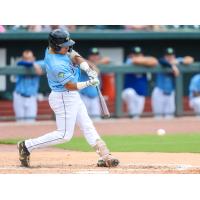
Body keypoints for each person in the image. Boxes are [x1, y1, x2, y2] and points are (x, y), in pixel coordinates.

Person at [17, 29, 119, 168]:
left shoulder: (58, 49)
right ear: (56, 46)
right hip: (63, 97)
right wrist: (89, 82)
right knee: (64, 135)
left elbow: (76, 56)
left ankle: (104, 154)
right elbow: (70, 86)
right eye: (65, 45)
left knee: (87, 125)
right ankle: (27, 145)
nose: (68, 47)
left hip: (72, 96)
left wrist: (88, 69)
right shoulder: (56, 64)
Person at [151, 47, 194, 118]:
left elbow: (190, 59)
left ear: (174, 56)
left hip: (170, 93)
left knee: (170, 117)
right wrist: (172, 66)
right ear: (165, 56)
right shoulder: (162, 61)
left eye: (171, 55)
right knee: (158, 117)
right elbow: (161, 61)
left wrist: (179, 62)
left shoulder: (177, 61)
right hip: (159, 92)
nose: (170, 57)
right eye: (168, 55)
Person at [122, 46, 158, 118]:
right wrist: (143, 61)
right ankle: (131, 113)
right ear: (131, 55)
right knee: (130, 93)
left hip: (140, 93)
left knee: (137, 116)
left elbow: (154, 61)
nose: (137, 56)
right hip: (128, 91)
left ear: (142, 55)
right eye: (135, 54)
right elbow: (134, 61)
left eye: (139, 54)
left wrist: (143, 61)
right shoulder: (129, 61)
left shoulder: (145, 62)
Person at [13, 50, 44, 122]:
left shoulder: (38, 64)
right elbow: (21, 62)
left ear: (33, 58)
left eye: (29, 58)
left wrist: (36, 65)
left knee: (31, 122)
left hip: (31, 98)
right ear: (23, 58)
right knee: (20, 122)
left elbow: (46, 63)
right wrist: (33, 64)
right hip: (19, 97)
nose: (27, 60)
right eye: (25, 58)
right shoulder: (20, 64)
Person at [79, 48, 102, 119]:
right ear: (89, 56)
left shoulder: (100, 64)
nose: (95, 57)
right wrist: (92, 65)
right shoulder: (84, 65)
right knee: (83, 120)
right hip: (83, 96)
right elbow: (80, 60)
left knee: (97, 120)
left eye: (96, 55)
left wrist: (95, 64)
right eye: (92, 55)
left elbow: (108, 59)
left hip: (95, 97)